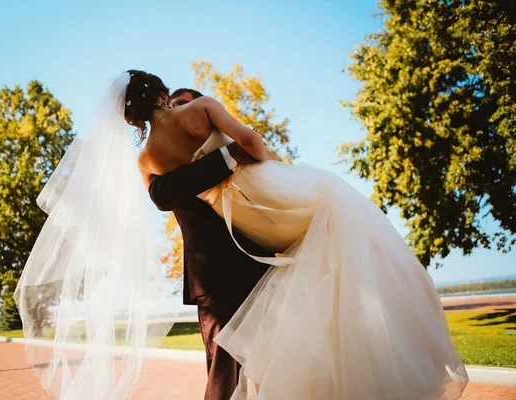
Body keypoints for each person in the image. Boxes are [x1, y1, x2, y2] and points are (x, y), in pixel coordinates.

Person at [132, 70, 468, 400]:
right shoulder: (201, 114)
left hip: (256, 246)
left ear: (133, 118)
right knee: (226, 365)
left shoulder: (147, 158)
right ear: (163, 95)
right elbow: (243, 149)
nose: (178, 105)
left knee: (276, 353)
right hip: (225, 255)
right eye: (173, 100)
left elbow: (167, 189)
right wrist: (246, 160)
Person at [148, 87, 272, 400]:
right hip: (214, 281)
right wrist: (228, 157)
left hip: (258, 265)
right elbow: (167, 192)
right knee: (223, 369)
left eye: (183, 106)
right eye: (171, 106)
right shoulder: (164, 174)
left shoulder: (241, 151)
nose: (175, 114)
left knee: (272, 361)